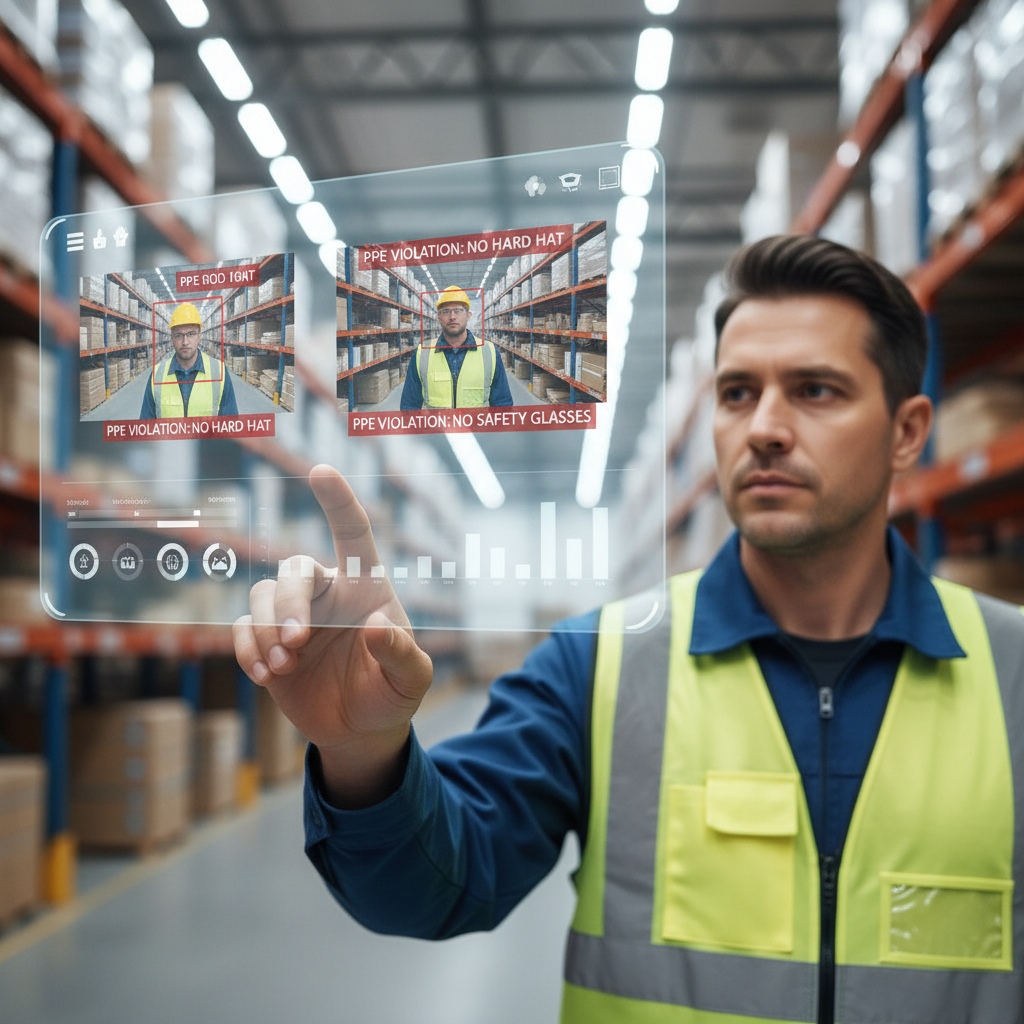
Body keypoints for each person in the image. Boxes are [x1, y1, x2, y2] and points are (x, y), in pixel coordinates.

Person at [233, 235, 1024, 1024]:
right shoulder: (597, 665)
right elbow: (438, 889)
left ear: (907, 432)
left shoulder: (1013, 670)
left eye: (816, 391)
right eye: (738, 393)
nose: (765, 428)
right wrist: (362, 754)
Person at [399, 284, 512, 408]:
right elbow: (409, 406)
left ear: (468, 315)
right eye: (446, 311)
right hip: (435, 428)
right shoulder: (423, 353)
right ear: (439, 317)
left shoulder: (489, 352)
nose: (452, 317)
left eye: (458, 311)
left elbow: (502, 404)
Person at [140, 301, 238, 418]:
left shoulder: (219, 372)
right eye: (179, 335)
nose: (185, 342)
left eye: (191, 334)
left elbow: (231, 425)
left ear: (199, 336)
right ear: (172, 338)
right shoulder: (157, 374)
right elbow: (146, 427)